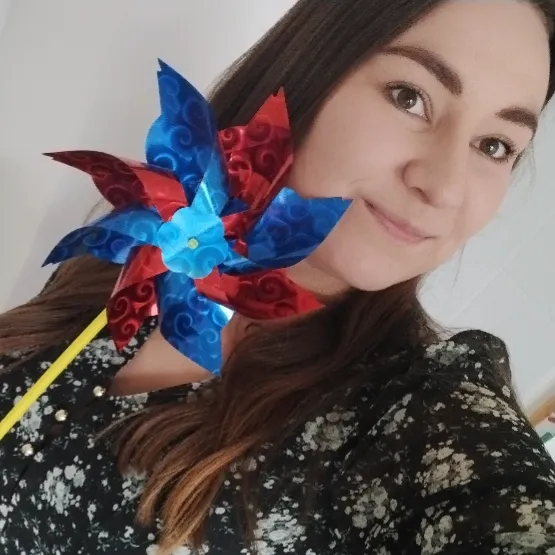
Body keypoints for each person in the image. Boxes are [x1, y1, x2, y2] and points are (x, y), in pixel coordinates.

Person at [1, 0, 555, 553]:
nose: (445, 187)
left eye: (495, 146)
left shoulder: (422, 416)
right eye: (410, 97)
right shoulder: (146, 245)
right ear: (312, 66)